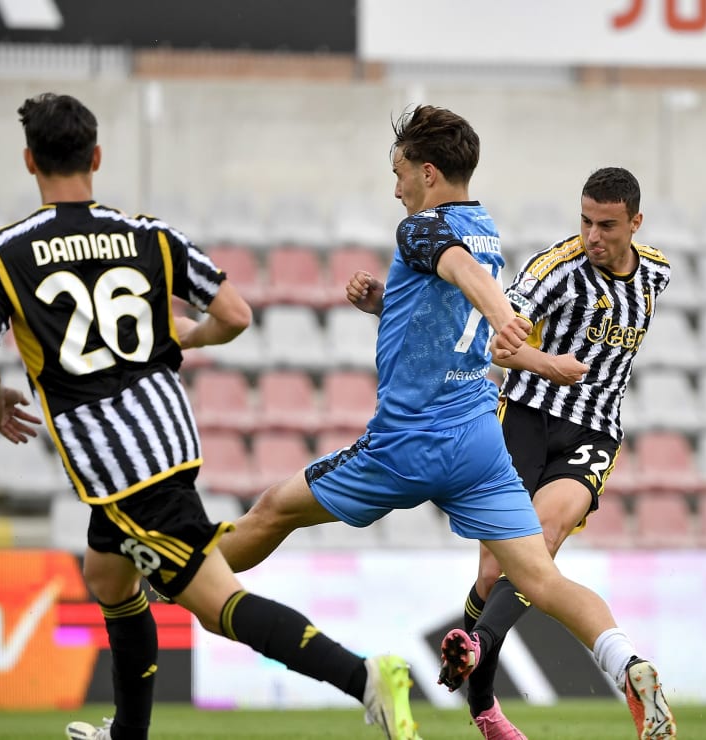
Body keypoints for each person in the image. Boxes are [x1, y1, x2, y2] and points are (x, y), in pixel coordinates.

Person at [0, 93, 420, 740]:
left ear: (30, 161)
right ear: (96, 156)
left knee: (215, 604)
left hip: (117, 463)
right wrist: (180, 339)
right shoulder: (149, 235)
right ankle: (129, 735)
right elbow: (234, 314)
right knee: (109, 577)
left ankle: (364, 676)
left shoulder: (3, 253)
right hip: (167, 434)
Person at [218, 105, 677, 740]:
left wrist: (502, 318)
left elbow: (458, 270)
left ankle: (177, 579)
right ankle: (626, 664)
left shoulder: (421, 229)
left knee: (273, 510)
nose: (396, 186)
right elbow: (444, 300)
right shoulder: (485, 226)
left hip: (408, 442)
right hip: (479, 441)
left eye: (400, 171)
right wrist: (393, 302)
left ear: (428, 172)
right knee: (538, 577)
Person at [442, 166, 670, 739]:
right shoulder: (556, 271)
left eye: (608, 226)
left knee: (540, 542)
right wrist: (546, 363)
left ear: (635, 224)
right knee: (495, 574)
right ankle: (484, 704)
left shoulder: (658, 274)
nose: (594, 236)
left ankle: (475, 649)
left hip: (593, 433)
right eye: (587, 221)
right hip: (523, 420)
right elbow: (499, 342)